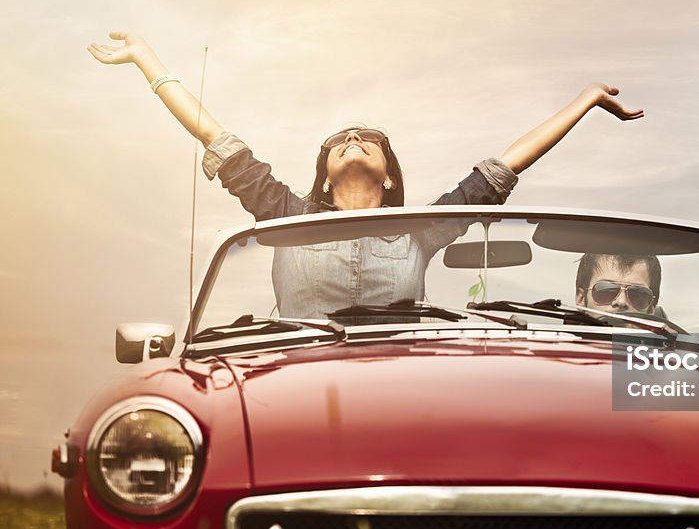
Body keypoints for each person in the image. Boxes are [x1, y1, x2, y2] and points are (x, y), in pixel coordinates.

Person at [88, 32, 644, 318]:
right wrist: (147, 61)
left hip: (394, 376)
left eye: (371, 139)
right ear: (325, 175)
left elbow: (503, 168)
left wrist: (585, 100)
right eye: (338, 140)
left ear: (389, 175)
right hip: (292, 375)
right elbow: (216, 137)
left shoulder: (420, 228)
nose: (354, 139)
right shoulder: (288, 216)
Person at [575, 253, 661, 314]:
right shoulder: (562, 338)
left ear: (651, 308)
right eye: (606, 291)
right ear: (581, 298)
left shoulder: (669, 340)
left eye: (636, 294)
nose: (621, 302)